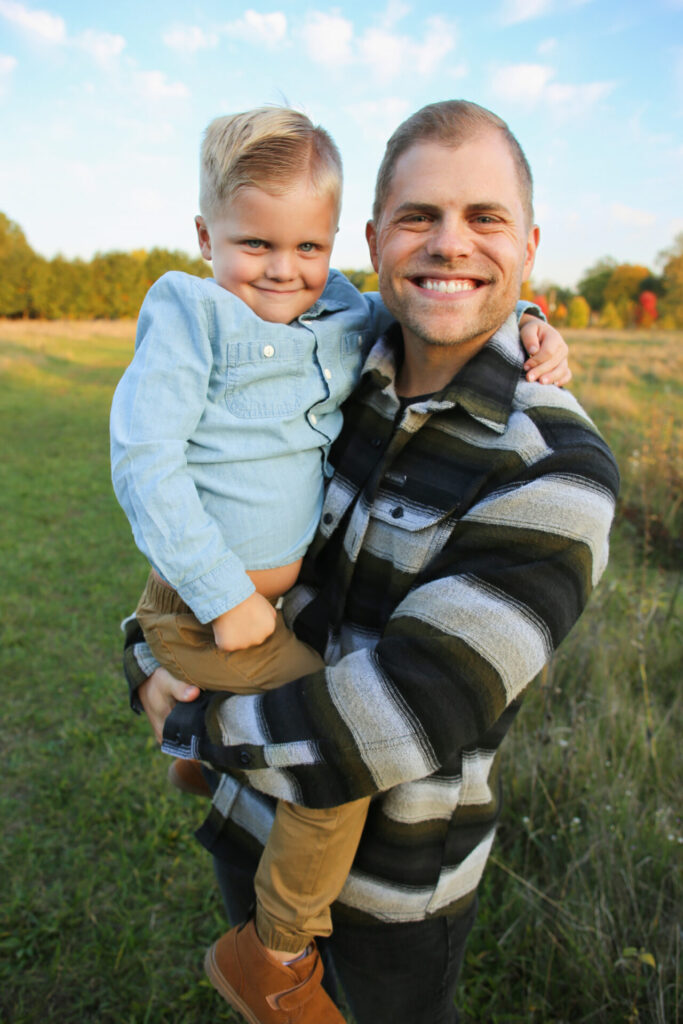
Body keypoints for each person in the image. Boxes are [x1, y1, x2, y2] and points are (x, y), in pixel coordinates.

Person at [120, 101, 598, 1024]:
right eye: (420, 217)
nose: (449, 244)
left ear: (529, 242)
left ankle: (274, 954)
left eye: (484, 218)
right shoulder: (347, 362)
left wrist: (190, 724)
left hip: (391, 892)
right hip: (251, 825)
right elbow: (207, 516)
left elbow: (393, 723)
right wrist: (150, 655)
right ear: (375, 241)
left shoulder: (552, 468)